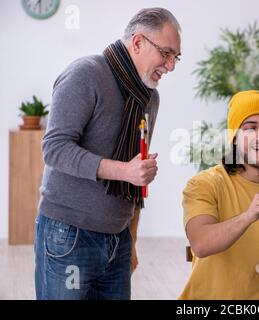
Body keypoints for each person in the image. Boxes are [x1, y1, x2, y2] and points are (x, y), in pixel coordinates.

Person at [34, 8, 181, 300]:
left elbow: (136, 175)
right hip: (69, 235)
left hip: (119, 238)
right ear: (138, 43)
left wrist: (132, 240)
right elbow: (55, 148)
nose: (171, 65)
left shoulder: (150, 97)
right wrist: (123, 170)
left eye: (175, 57)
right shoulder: (85, 74)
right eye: (166, 53)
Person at [180, 90, 259, 299]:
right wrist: (249, 216)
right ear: (235, 138)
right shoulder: (204, 184)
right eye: (250, 128)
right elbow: (200, 245)